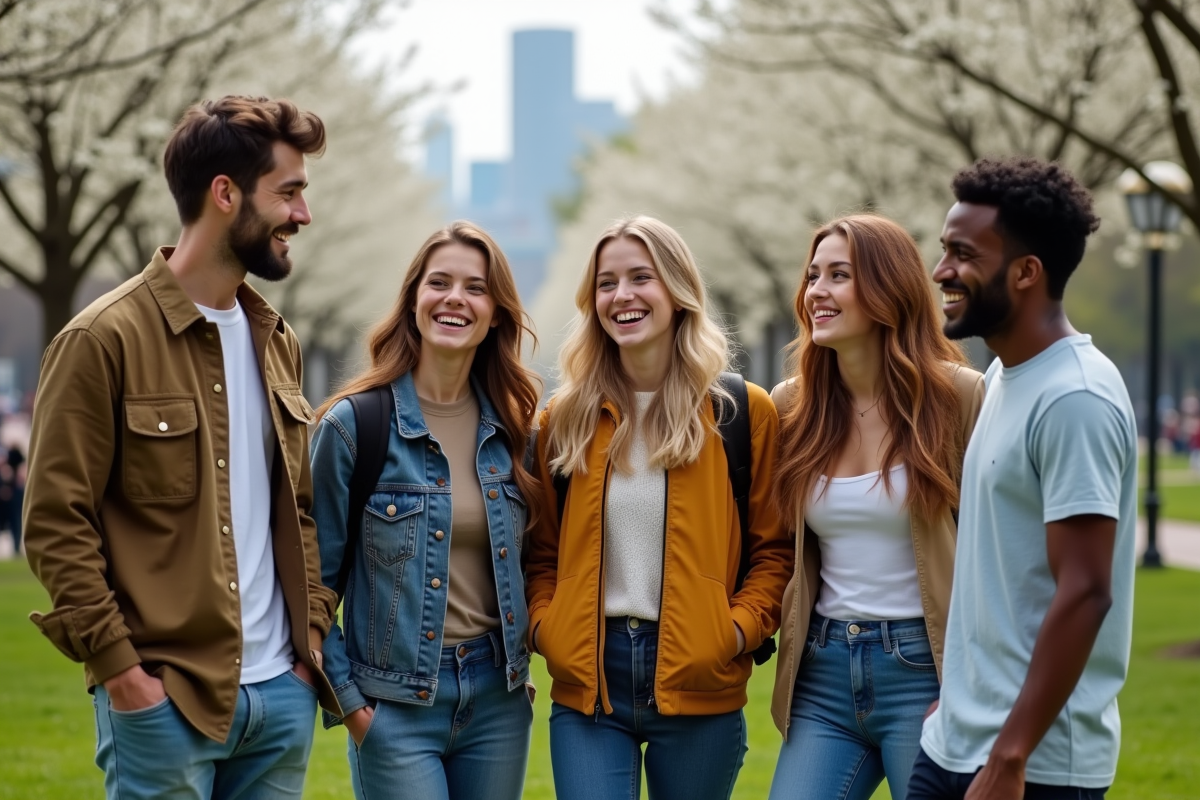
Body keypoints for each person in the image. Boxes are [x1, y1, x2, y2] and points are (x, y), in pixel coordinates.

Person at [23, 96, 338, 799]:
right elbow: (54, 523)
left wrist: (307, 646)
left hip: (280, 699)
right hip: (165, 701)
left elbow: (301, 511)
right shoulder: (101, 340)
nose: (303, 216)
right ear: (225, 194)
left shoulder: (275, 340)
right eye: (288, 193)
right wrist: (122, 673)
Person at [525, 215, 792, 800]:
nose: (621, 296)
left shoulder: (742, 413)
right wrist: (549, 628)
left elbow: (774, 553)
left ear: (677, 289)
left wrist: (733, 632)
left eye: (640, 277)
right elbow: (539, 551)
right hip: (590, 684)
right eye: (606, 282)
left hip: (701, 680)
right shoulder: (560, 420)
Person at [911, 157, 1136, 800]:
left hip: (1033, 763)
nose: (941, 271)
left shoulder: (1075, 397)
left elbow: (1086, 590)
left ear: (1026, 271)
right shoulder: (1006, 378)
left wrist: (1010, 754)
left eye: (962, 253)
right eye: (943, 249)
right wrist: (957, 701)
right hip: (957, 738)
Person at [310, 221, 542, 800]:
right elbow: (311, 584)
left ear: (496, 314)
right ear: (414, 301)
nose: (455, 299)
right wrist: (353, 706)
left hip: (498, 702)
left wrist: (520, 668)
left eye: (475, 287)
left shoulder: (517, 432)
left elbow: (538, 563)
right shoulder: (352, 427)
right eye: (439, 282)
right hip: (395, 704)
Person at [766, 214, 984, 800]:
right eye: (813, 276)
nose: (817, 291)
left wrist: (973, 683)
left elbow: (1000, 553)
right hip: (823, 672)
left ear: (889, 289)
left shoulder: (959, 397)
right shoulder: (792, 406)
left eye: (840, 275)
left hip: (926, 670)